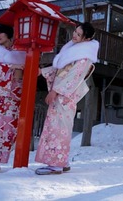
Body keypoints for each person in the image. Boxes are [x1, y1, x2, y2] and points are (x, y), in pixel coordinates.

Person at [34, 22, 98, 175]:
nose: (74, 35)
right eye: (75, 32)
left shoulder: (84, 56)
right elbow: (60, 70)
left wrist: (55, 91)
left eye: (78, 34)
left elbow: (73, 77)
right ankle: (62, 162)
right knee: (58, 128)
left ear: (87, 38)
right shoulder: (74, 50)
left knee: (59, 128)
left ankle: (55, 165)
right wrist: (42, 71)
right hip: (61, 95)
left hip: (65, 96)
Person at [0, 23, 27, 172]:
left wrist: (16, 67)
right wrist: (11, 67)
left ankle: (0, 160)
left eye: (0, 33)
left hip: (13, 94)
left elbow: (22, 70)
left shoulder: (20, 50)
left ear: (8, 34)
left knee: (8, 126)